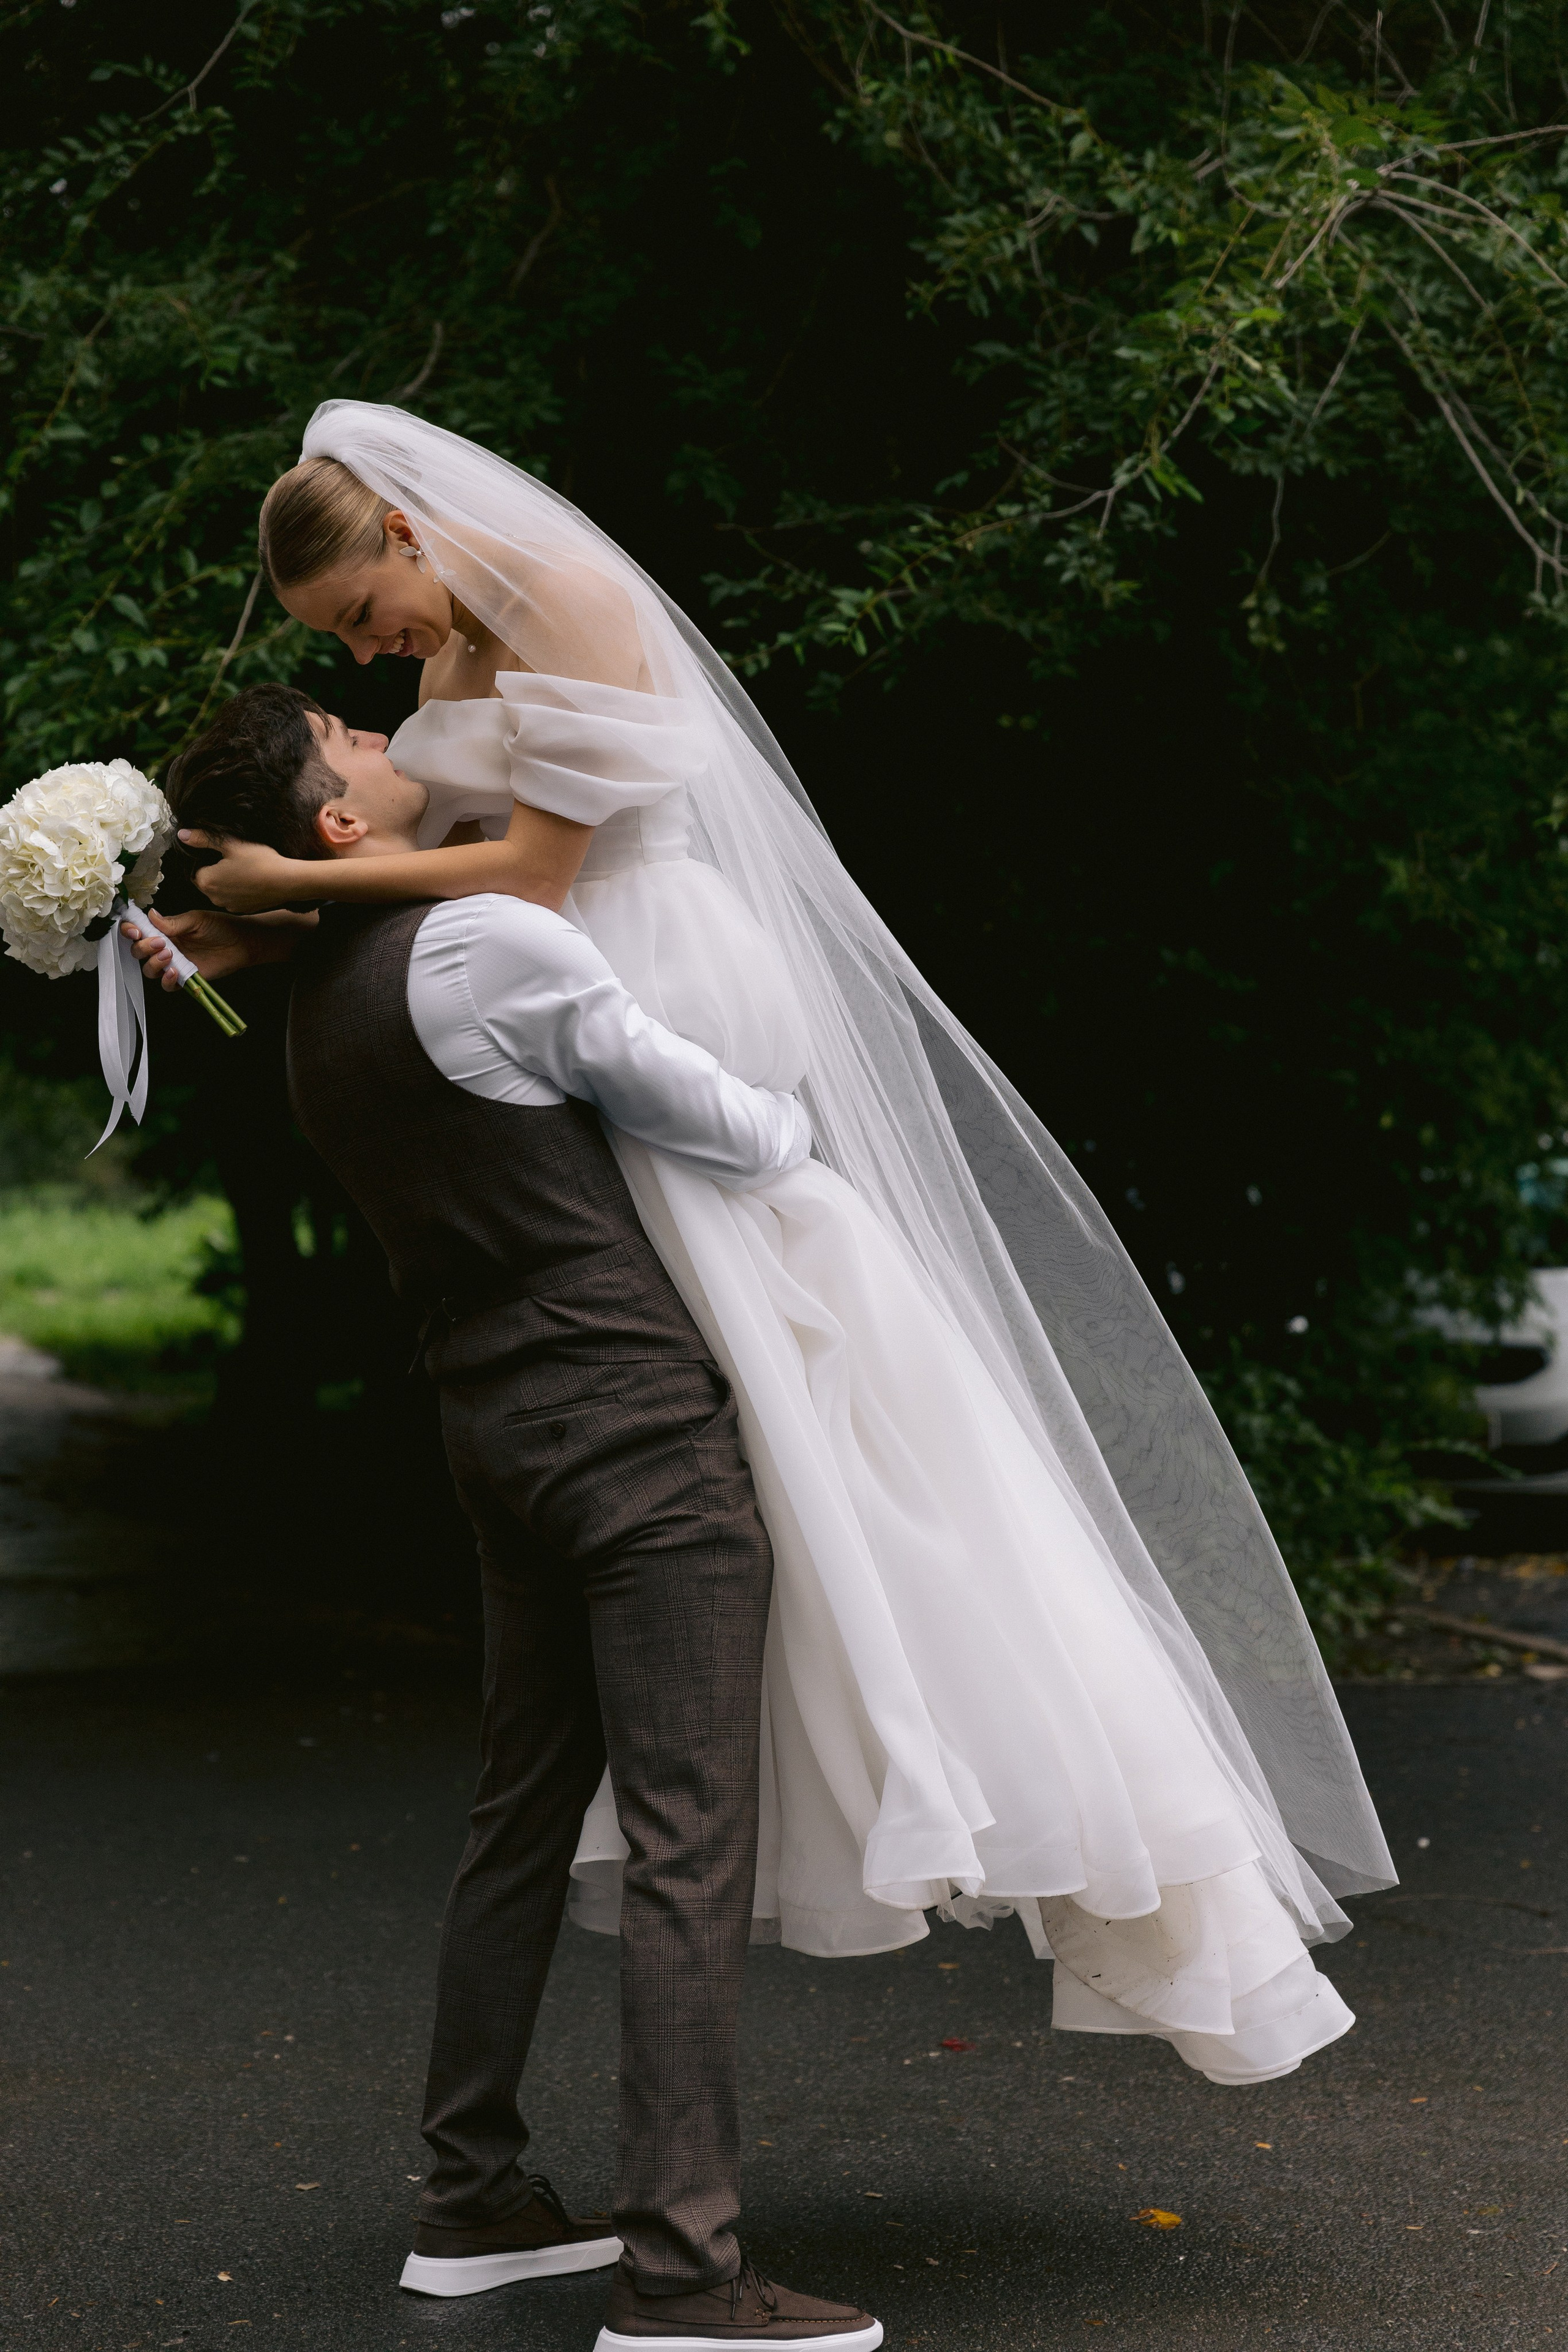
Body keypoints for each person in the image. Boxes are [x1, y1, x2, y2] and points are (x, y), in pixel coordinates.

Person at [148, 402, 1396, 2077]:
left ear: (408, 536)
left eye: (363, 620)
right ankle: (837, 1711)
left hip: (634, 959)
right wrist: (243, 927)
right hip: (554, 967)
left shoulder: (575, 603)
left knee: (803, 1365)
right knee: (768, 1405)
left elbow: (522, 865)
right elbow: (439, 854)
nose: (369, 657)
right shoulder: (449, 662)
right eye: (345, 649)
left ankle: (1031, 1774)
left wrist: (306, 897)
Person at [144, 682, 881, 2351]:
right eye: (344, 738)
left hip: (490, 1428)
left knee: (523, 1809)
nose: (370, 721)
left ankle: (472, 2194)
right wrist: (809, 1114)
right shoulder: (488, 948)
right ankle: (686, 2275)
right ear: (339, 826)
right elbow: (729, 1124)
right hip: (631, 1427)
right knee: (694, 1838)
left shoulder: (325, 1003)